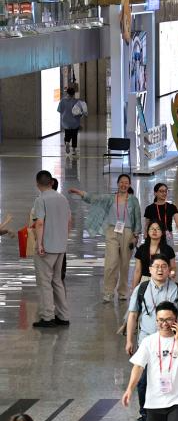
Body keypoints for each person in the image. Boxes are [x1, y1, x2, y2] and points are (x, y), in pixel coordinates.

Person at [125, 253, 178, 421]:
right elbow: (133, 315)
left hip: (170, 341)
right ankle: (144, 414)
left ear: (169, 269)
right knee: (143, 380)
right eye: (156, 266)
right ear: (149, 269)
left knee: (169, 375)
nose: (160, 270)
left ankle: (170, 412)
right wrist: (129, 340)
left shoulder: (177, 289)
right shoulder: (141, 289)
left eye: (164, 266)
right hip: (147, 341)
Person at [69, 174, 142, 302]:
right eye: (121, 182)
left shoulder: (133, 200)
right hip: (112, 231)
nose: (124, 185)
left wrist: (136, 236)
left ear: (129, 185)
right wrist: (80, 193)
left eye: (126, 183)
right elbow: (95, 199)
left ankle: (123, 292)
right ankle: (108, 292)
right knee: (111, 263)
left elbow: (137, 217)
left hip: (128, 232)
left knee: (125, 264)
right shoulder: (110, 198)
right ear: (117, 184)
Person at [30, 171, 71, 329]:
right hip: (61, 246)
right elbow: (69, 221)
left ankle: (47, 317)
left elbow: (39, 223)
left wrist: (40, 244)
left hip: (47, 247)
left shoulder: (40, 200)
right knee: (57, 281)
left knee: (44, 282)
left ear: (37, 184)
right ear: (51, 182)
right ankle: (63, 316)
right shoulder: (63, 198)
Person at [131, 221, 176, 290]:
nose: (154, 231)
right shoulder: (142, 249)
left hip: (163, 280)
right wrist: (134, 289)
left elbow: (173, 267)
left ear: (162, 232)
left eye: (158, 229)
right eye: (152, 229)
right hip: (145, 281)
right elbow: (137, 270)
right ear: (148, 232)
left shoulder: (168, 250)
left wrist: (172, 273)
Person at [56, 83, 86, 157]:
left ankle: (67, 142)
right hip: (75, 121)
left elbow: (59, 110)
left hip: (66, 121)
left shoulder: (62, 101)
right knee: (74, 135)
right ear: (74, 94)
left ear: (67, 93)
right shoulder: (77, 101)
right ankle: (74, 150)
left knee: (67, 133)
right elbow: (81, 112)